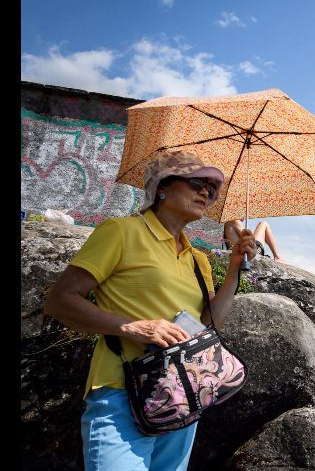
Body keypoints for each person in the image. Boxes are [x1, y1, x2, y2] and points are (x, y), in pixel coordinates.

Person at [43, 150, 256, 471]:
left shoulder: (197, 259)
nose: (206, 193)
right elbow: (59, 301)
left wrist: (234, 272)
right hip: (121, 392)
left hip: (184, 396)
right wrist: (135, 327)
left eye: (211, 189)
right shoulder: (120, 232)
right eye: (197, 183)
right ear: (162, 187)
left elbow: (209, 324)